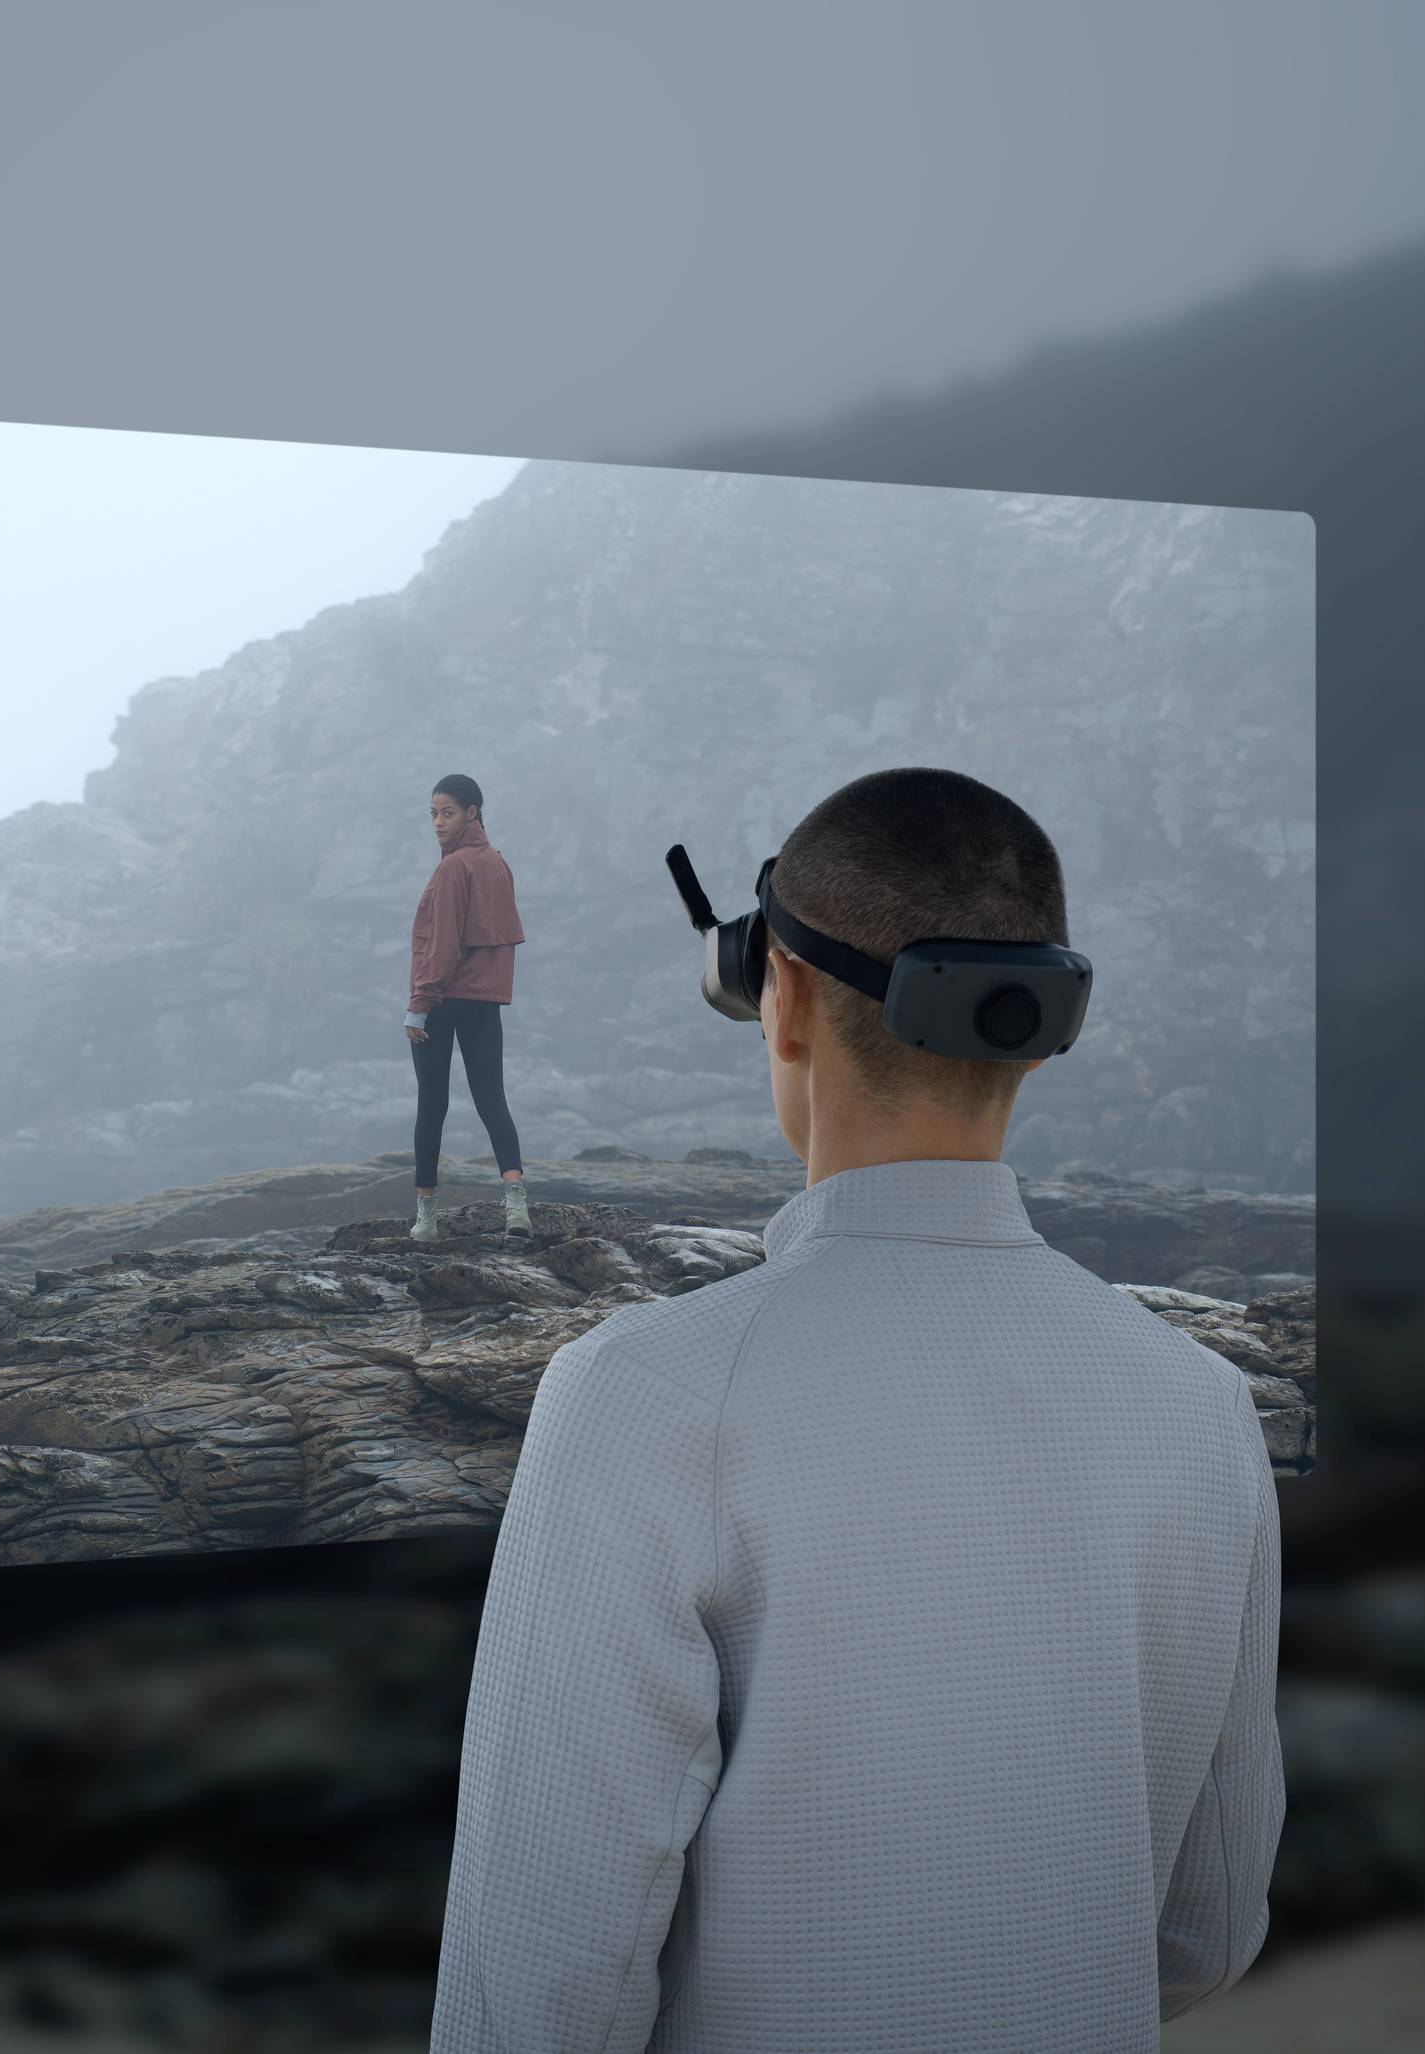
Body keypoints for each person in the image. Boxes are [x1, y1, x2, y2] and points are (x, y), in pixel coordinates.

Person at [430, 767, 1284, 2053]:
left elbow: (538, 1989)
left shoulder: (643, 1393)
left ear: (779, 994)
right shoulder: (1202, 1401)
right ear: (1040, 1025)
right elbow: (1204, 1933)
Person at [404, 773, 529, 1241]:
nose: (438, 822)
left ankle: (426, 1219)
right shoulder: (498, 863)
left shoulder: (453, 867)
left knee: (431, 1105)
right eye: (433, 814)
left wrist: (419, 1004)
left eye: (448, 813)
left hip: (441, 1000)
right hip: (484, 1002)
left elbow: (441, 945)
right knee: (492, 1100)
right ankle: (517, 1208)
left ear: (471, 812)